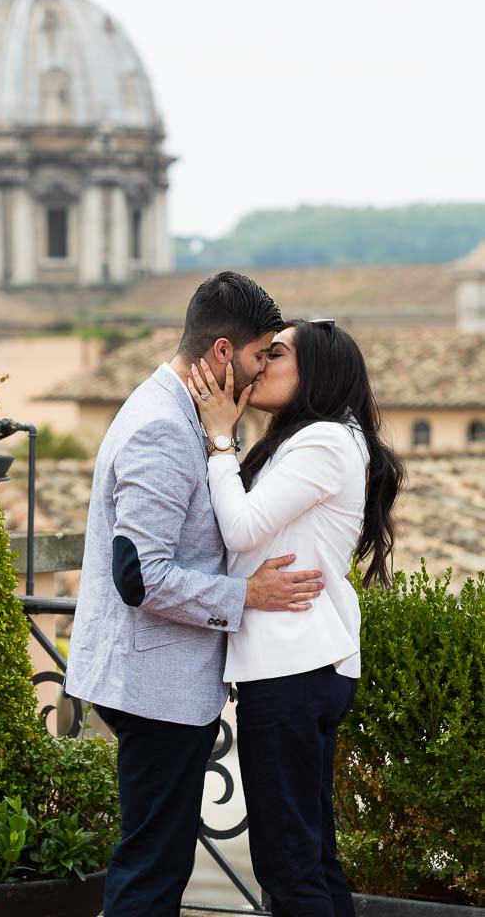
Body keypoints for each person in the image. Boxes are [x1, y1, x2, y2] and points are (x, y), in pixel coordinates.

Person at [65, 274, 327, 917]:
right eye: (263, 352)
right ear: (220, 353)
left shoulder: (188, 413)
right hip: (154, 682)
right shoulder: (160, 426)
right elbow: (141, 577)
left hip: (161, 678)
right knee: (152, 869)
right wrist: (246, 596)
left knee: (160, 861)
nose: (267, 366)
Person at [188, 318, 405, 917]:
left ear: (316, 372)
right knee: (309, 855)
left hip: (293, 669)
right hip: (302, 666)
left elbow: (240, 527)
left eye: (275, 353)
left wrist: (219, 439)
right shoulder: (316, 438)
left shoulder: (325, 442)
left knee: (287, 863)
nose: (258, 363)